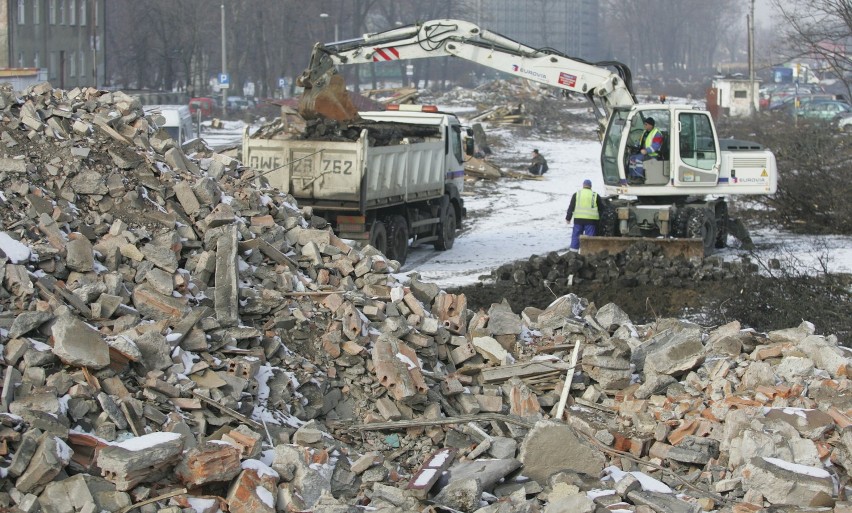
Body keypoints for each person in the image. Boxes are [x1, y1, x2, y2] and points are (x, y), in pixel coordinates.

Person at [565, 179, 601, 252]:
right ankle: (589, 254)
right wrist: (600, 221)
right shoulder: (595, 195)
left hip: (578, 220)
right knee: (590, 238)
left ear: (583, 185)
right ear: (591, 186)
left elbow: (571, 207)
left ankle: (573, 253)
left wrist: (568, 218)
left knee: (576, 236)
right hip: (591, 221)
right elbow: (601, 209)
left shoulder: (577, 194)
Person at [627, 117, 663, 184]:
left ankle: (640, 177)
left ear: (650, 125)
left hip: (652, 154)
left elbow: (656, 146)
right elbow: (640, 142)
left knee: (638, 159)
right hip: (644, 153)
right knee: (632, 158)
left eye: (646, 124)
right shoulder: (645, 132)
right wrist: (634, 147)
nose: (644, 125)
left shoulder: (657, 134)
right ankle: (633, 176)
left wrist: (646, 150)